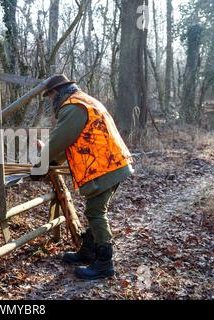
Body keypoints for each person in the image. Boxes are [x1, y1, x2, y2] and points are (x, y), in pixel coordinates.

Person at [33, 74, 134, 280]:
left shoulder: (73, 107)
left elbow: (58, 141)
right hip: (112, 163)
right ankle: (88, 251)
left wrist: (39, 166)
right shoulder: (84, 101)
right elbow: (69, 143)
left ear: (57, 92)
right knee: (94, 209)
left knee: (96, 212)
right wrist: (50, 164)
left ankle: (104, 263)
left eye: (51, 95)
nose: (51, 100)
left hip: (105, 166)